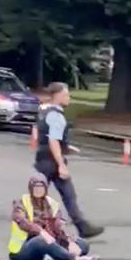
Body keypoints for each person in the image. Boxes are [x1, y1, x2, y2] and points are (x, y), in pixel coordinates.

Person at [33, 82, 104, 238]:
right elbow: (53, 140)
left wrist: (66, 147)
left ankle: (36, 226)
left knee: (41, 194)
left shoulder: (44, 112)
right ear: (57, 96)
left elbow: (43, 136)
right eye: (66, 95)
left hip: (42, 158)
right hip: (52, 161)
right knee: (67, 195)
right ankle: (82, 226)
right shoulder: (57, 116)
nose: (69, 98)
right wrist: (61, 164)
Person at [9, 173, 99, 260]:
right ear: (31, 188)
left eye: (41, 187)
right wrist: (40, 231)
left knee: (82, 244)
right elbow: (22, 221)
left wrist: (70, 241)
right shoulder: (21, 203)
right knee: (41, 241)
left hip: (51, 241)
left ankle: (55, 257)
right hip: (24, 248)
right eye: (36, 186)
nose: (38, 190)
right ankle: (74, 259)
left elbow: (59, 225)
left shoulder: (52, 204)